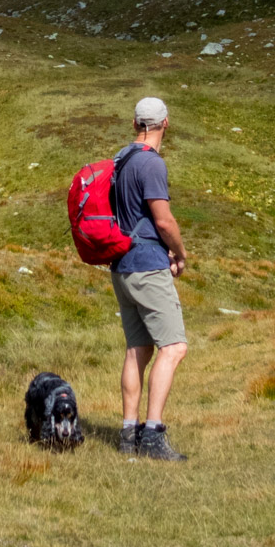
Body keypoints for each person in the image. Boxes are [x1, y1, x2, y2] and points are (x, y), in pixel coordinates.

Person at [111, 96, 189, 460]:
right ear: (166, 124)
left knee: (137, 349)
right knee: (173, 347)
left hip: (122, 265)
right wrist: (180, 253)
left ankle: (129, 432)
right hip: (147, 265)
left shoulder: (121, 160)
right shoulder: (151, 164)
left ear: (134, 124)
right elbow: (163, 220)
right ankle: (153, 435)